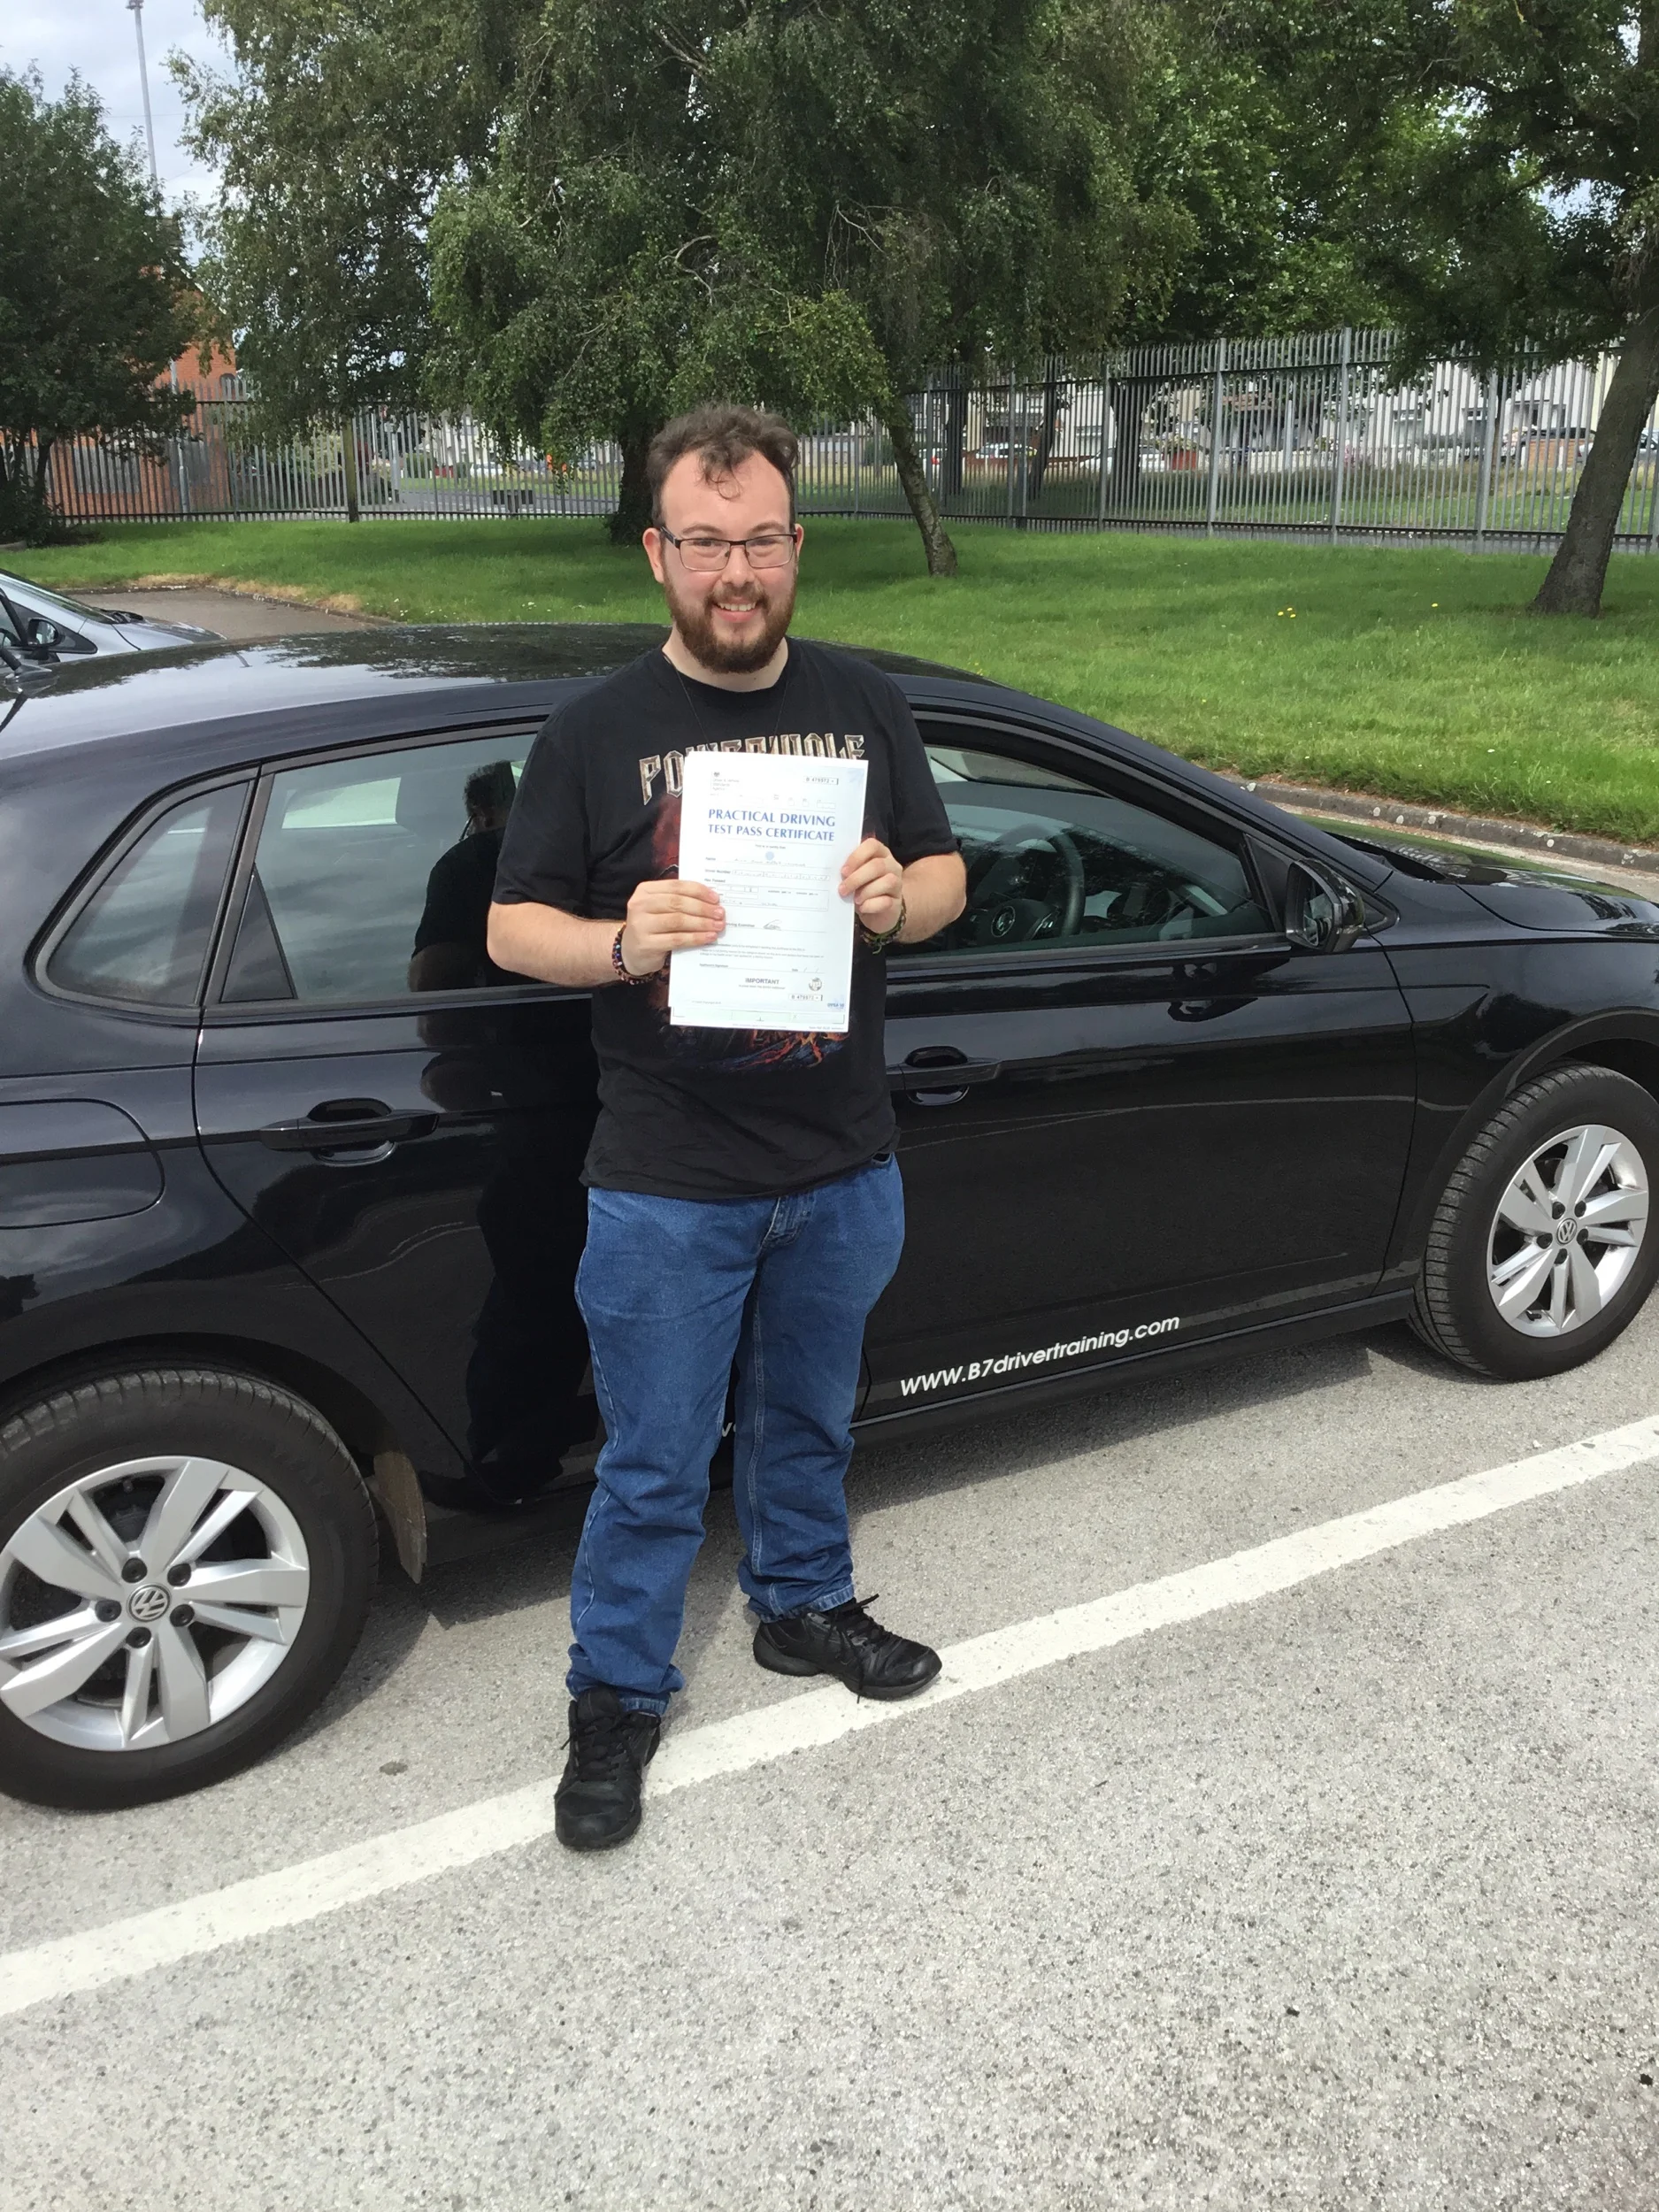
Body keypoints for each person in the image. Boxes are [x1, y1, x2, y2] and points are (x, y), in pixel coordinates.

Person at [488, 403, 967, 1852]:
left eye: (761, 540)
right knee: (651, 1457)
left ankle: (800, 1607)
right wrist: (623, 941)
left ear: (795, 545)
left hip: (841, 1158)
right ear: (657, 554)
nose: (736, 571)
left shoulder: (862, 700)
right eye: (706, 544)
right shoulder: (593, 734)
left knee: (810, 1420)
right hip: (667, 1179)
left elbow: (946, 880)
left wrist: (898, 901)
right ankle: (618, 1696)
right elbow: (513, 931)